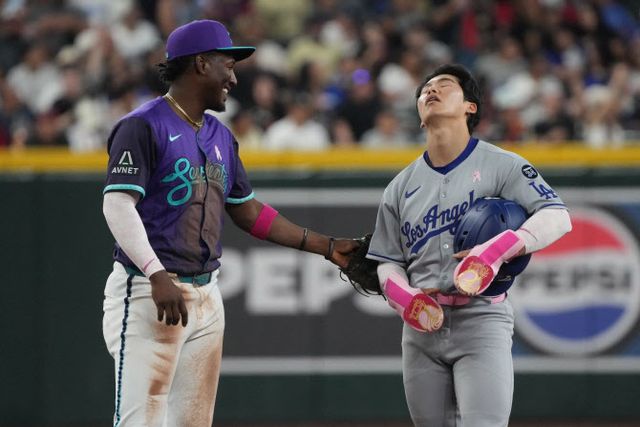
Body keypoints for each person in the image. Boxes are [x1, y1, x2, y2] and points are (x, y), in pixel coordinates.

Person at [101, 20, 357, 427]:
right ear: (201, 64)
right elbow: (117, 204)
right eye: (228, 65)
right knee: (139, 421)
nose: (234, 79)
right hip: (150, 291)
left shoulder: (219, 135)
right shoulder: (143, 124)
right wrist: (155, 273)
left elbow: (247, 211)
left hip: (207, 294)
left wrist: (326, 246)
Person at [365, 64, 572, 427]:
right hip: (421, 330)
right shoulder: (399, 186)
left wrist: (495, 251)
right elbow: (388, 260)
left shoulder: (503, 165)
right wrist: (404, 297)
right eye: (425, 89)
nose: (431, 90)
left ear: (470, 107)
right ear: (419, 116)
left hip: (482, 318)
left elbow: (557, 216)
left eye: (444, 85)